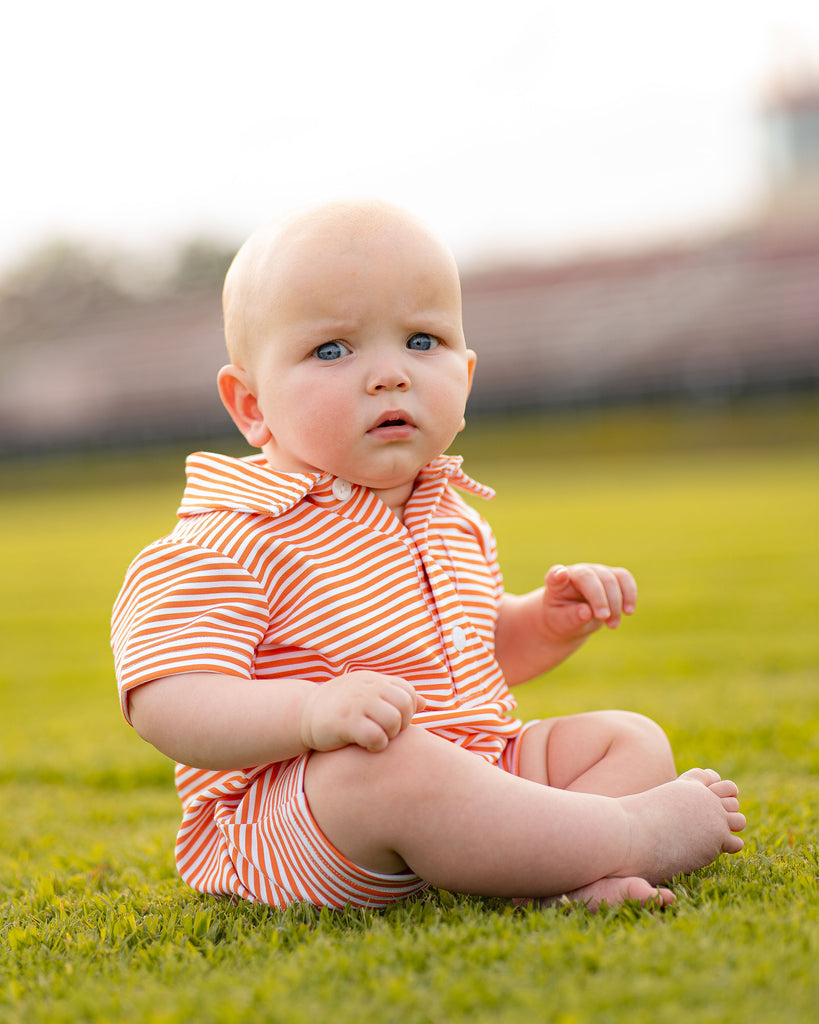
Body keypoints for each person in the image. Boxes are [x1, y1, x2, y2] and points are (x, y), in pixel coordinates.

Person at [111, 199, 745, 912]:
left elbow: (472, 657)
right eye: (331, 350)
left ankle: (556, 877)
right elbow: (166, 700)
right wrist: (310, 711)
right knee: (390, 768)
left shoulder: (448, 516)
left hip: (472, 767)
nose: (389, 374)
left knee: (626, 739)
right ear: (251, 405)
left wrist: (545, 621)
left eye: (420, 341)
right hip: (305, 819)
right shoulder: (233, 535)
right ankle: (633, 835)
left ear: (465, 379)